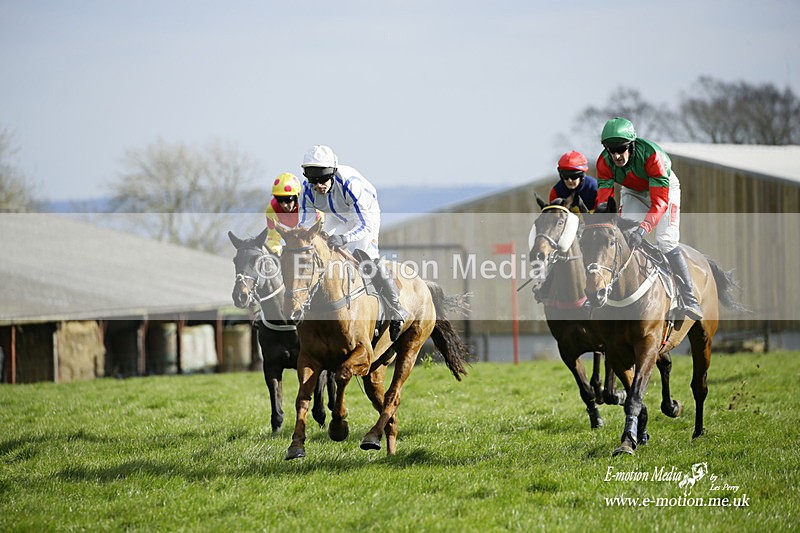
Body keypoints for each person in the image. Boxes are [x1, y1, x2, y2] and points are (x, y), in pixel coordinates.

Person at [596, 117, 703, 321]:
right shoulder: (604, 162)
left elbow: (659, 204)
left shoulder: (653, 157)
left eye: (621, 148)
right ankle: (608, 289)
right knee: (623, 236)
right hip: (633, 190)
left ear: (632, 145)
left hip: (664, 190)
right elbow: (604, 202)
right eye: (611, 149)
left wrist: (643, 230)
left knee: (665, 241)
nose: (617, 155)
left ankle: (690, 298)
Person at [298, 144, 409, 341]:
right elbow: (305, 227)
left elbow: (364, 225)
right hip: (335, 215)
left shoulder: (351, 184)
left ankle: (396, 308)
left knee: (366, 255)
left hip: (365, 216)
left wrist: (345, 238)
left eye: (323, 179)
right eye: (313, 180)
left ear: (332, 173)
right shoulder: (307, 190)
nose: (319, 185)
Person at [264, 172, 319, 255]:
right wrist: (276, 256)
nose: (284, 205)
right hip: (289, 240)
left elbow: (317, 234)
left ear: (298, 196)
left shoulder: (308, 204)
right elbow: (273, 239)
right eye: (279, 199)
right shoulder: (272, 208)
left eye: (288, 199)